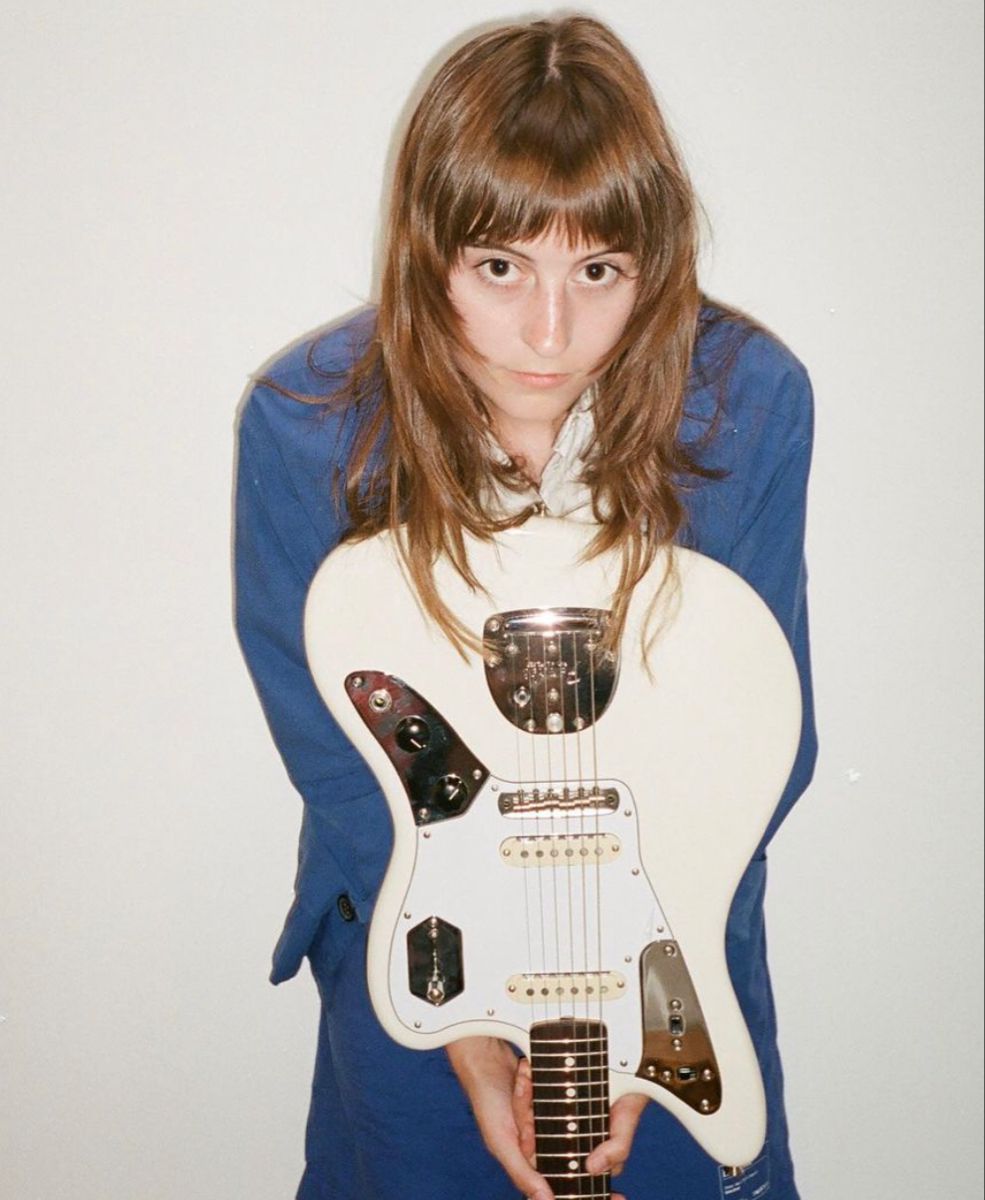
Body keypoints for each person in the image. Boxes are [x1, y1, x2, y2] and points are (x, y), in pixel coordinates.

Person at [234, 15, 816, 1200]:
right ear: (425, 247)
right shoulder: (306, 426)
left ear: (652, 261)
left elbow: (767, 730)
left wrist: (637, 1026)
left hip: (669, 943)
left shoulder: (746, 401)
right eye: (500, 267)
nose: (548, 334)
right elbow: (330, 747)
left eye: (597, 270)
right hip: (417, 928)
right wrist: (468, 1031)